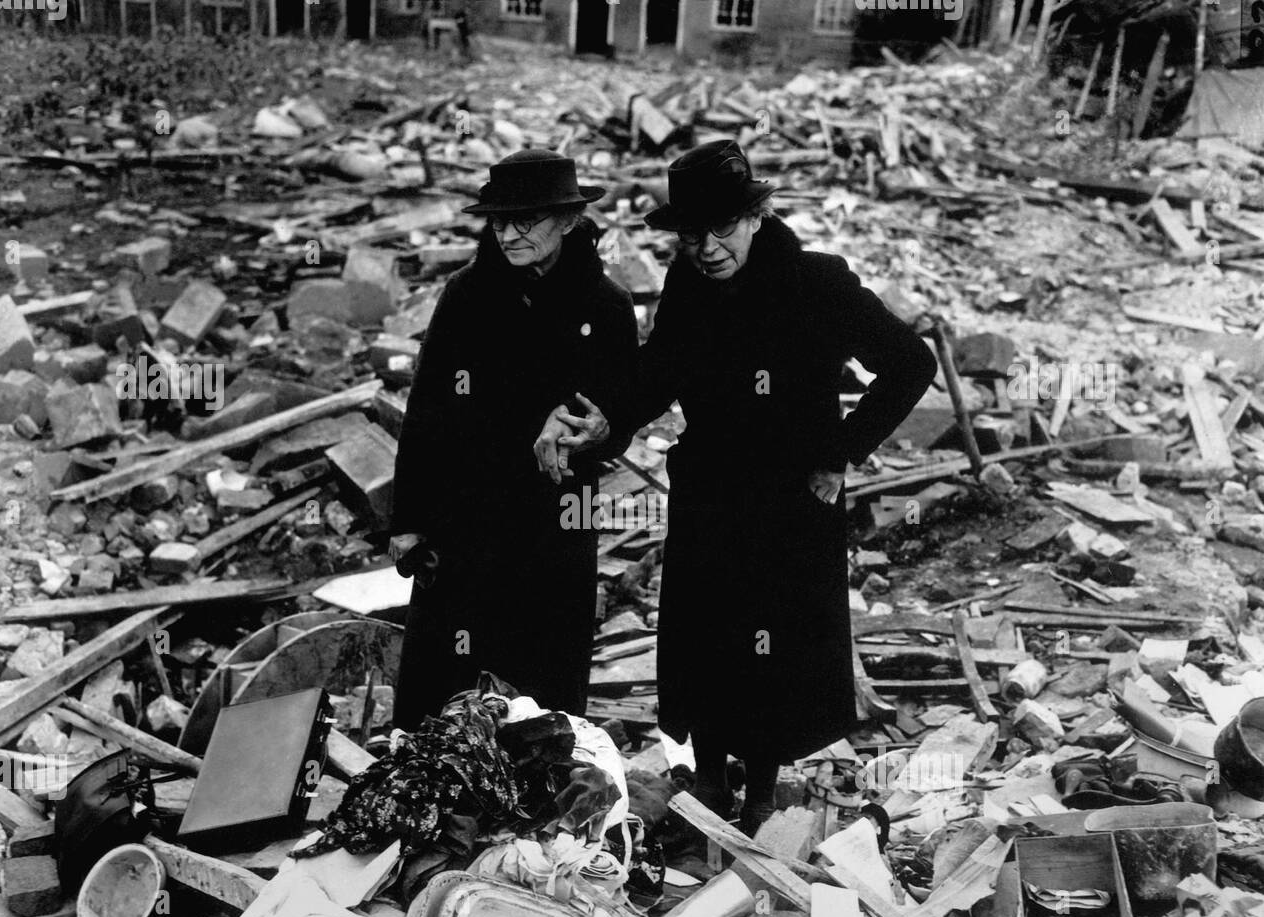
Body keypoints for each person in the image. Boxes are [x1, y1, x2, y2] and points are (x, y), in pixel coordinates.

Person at [535, 140, 938, 835]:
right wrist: (609, 417)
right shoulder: (688, 284)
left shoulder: (820, 283)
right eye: (692, 235)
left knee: (774, 649)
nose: (708, 248)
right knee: (706, 643)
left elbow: (911, 362)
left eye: (722, 230)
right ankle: (713, 780)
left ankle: (762, 790)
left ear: (758, 216)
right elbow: (659, 370)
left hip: (791, 500)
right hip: (712, 490)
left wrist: (841, 450)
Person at [390, 149, 638, 730]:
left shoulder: (607, 307)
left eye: (525, 220)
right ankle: (442, 792)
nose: (509, 234)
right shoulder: (466, 296)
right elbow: (425, 409)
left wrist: (597, 433)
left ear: (569, 221)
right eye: (499, 221)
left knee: (541, 679)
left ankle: (538, 802)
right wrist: (408, 518)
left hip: (555, 516)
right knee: (448, 676)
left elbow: (621, 416)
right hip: (466, 513)